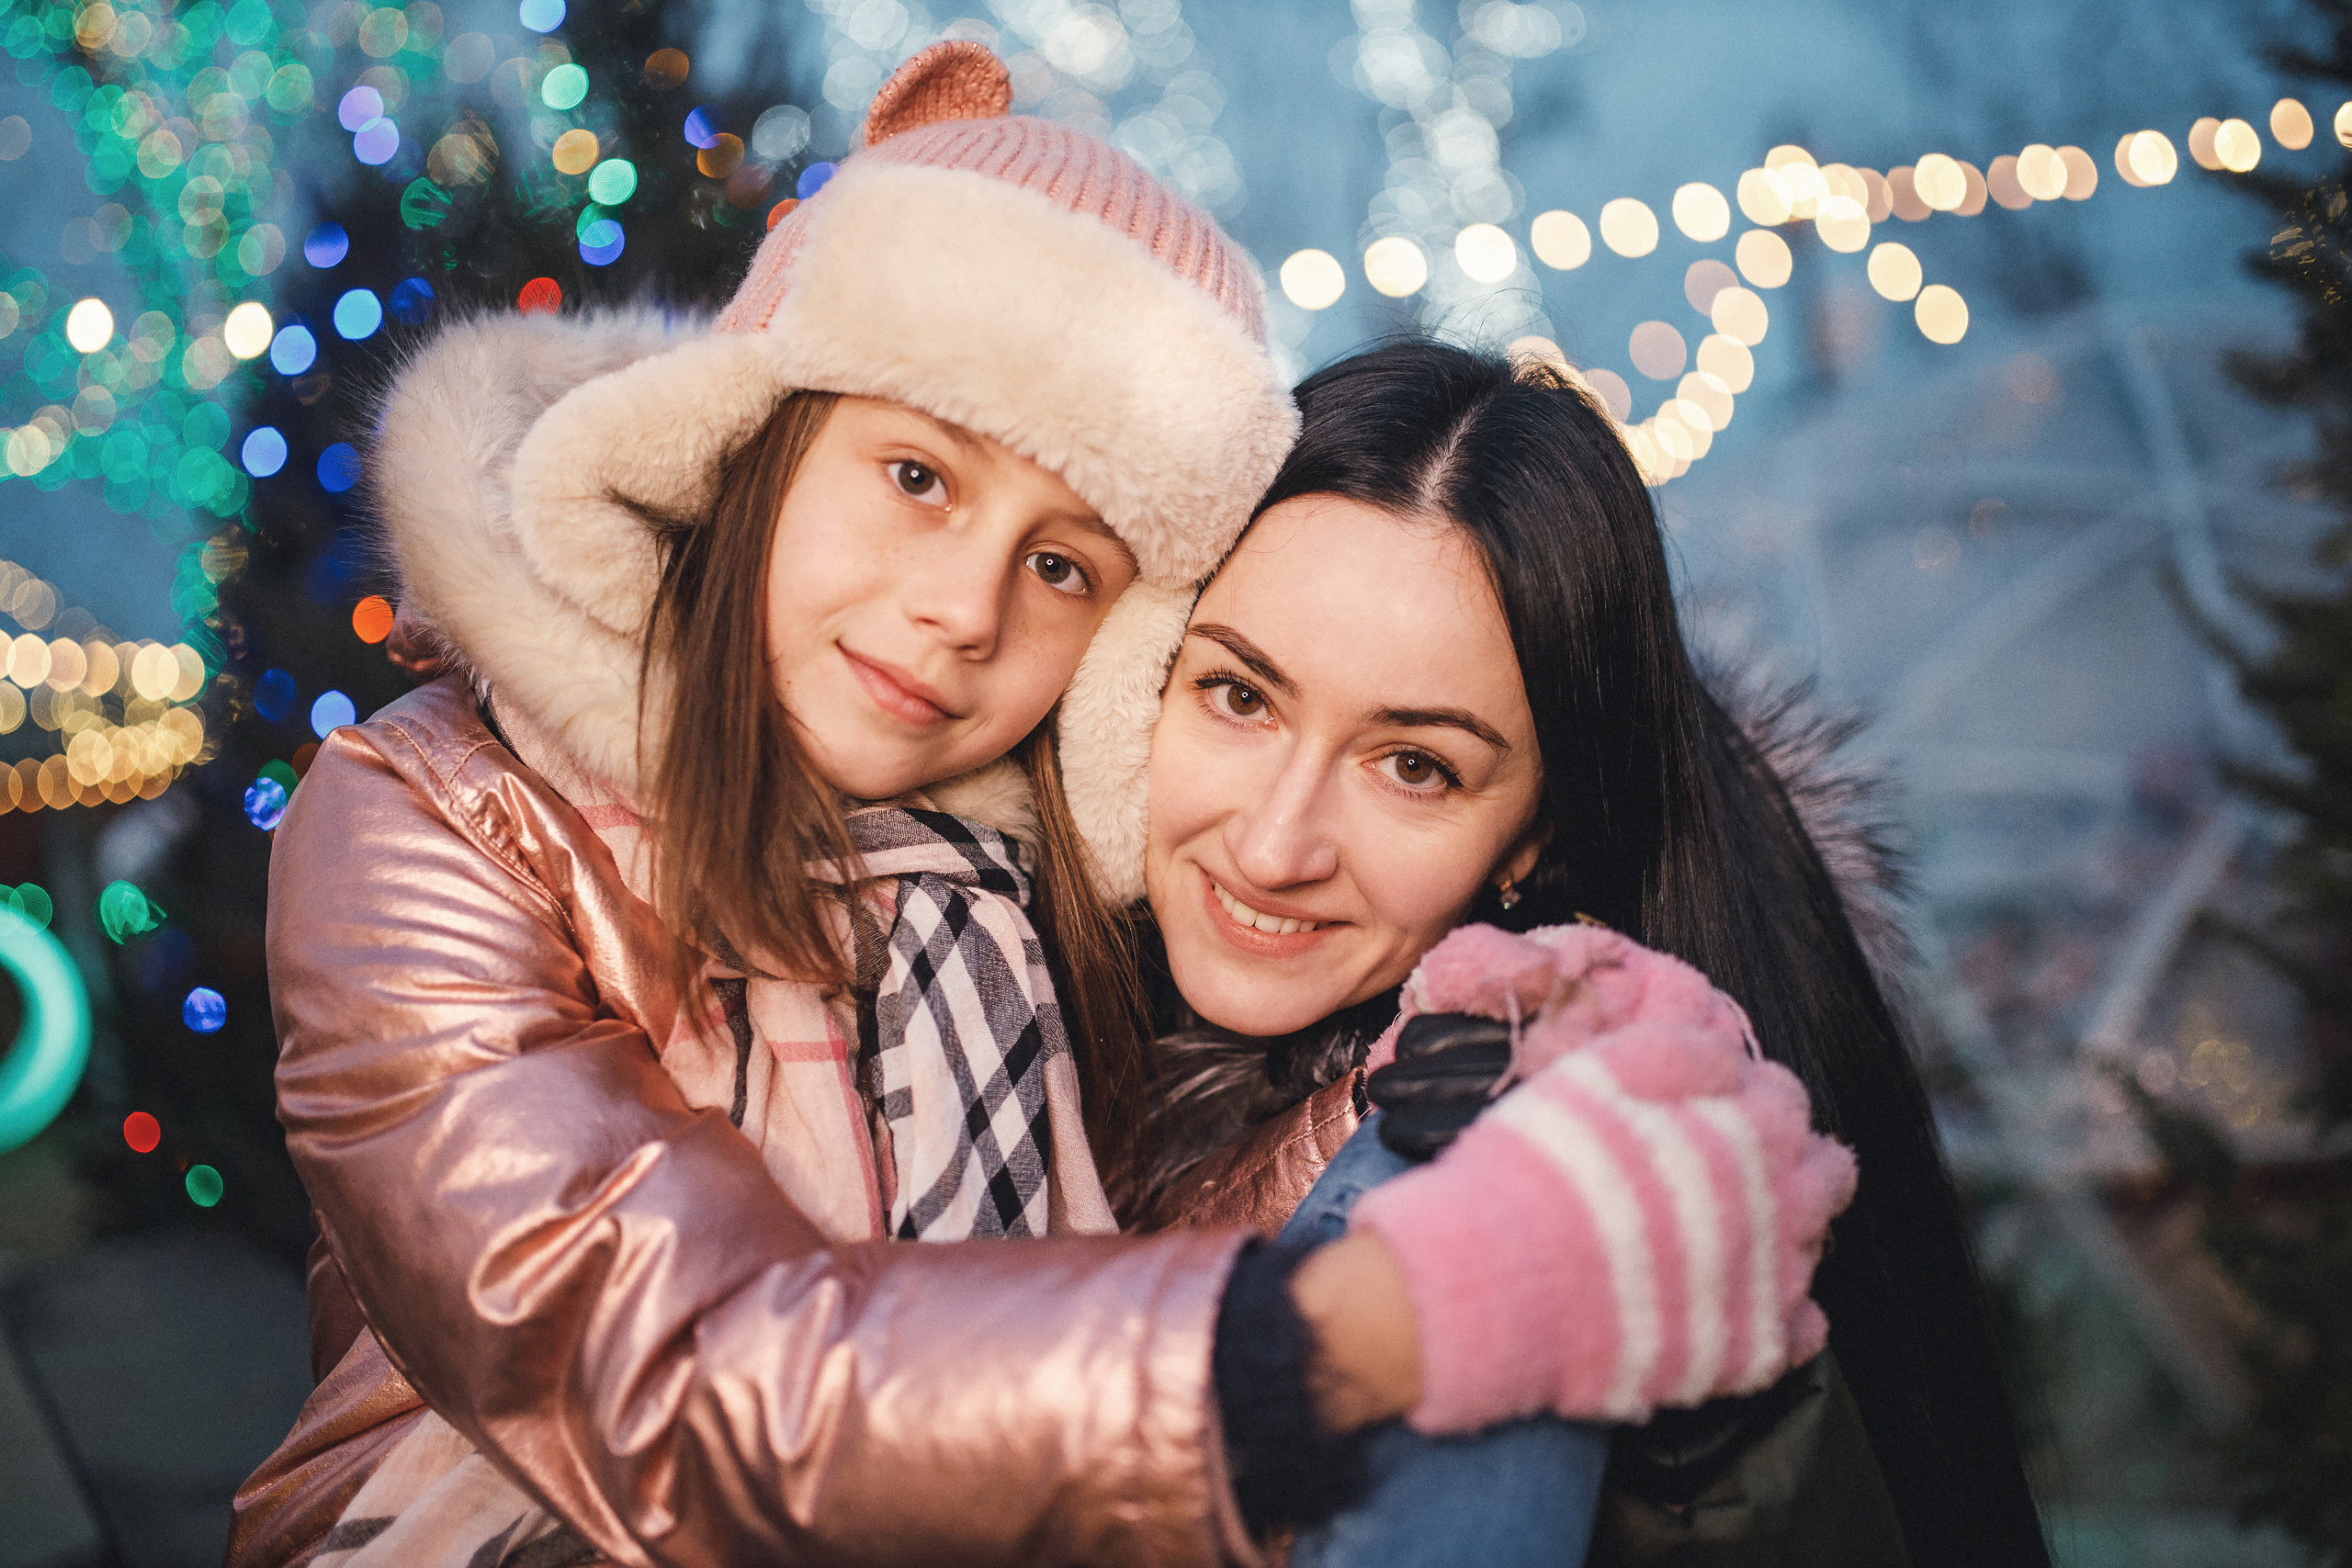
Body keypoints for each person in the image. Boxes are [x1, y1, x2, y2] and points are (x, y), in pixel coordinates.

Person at [229, 46, 1844, 1568]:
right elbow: (667, 1368)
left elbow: (1149, 1240)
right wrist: (1345, 1342)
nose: (961, 610)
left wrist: (1461, 1132)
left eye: (1065, 563)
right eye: (918, 477)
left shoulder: (1058, 881)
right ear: (757, 442)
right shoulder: (435, 818)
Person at [1139, 339, 2051, 1568]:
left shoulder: (1506, 1154)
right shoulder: (1001, 992)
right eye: (1241, 696)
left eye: (1415, 766)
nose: (1273, 841)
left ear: (1537, 834)